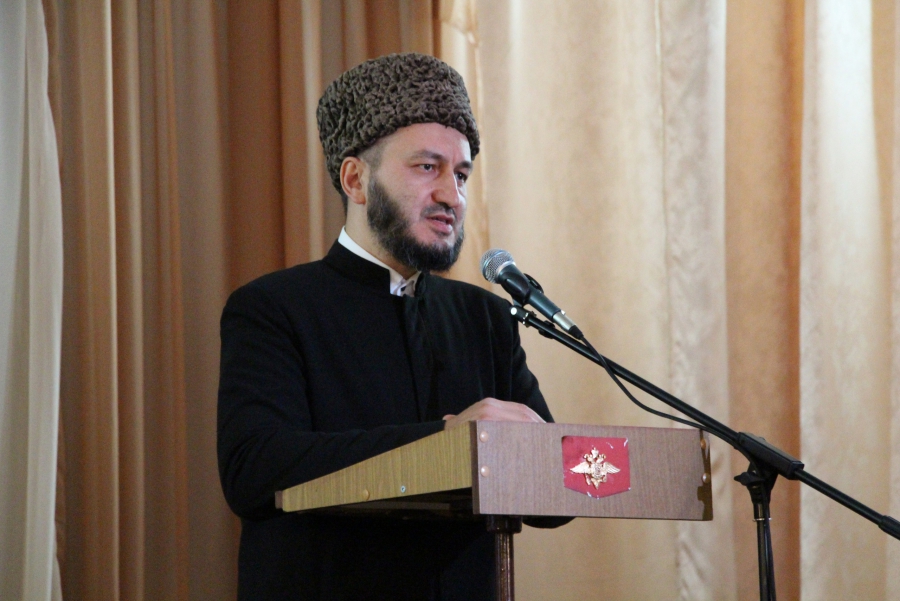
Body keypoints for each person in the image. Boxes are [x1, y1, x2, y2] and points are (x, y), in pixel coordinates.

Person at [218, 53, 559, 601]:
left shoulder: (486, 318)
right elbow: (255, 471)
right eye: (427, 168)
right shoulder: (274, 308)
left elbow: (553, 502)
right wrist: (446, 443)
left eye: (461, 174)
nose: (452, 196)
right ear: (356, 180)